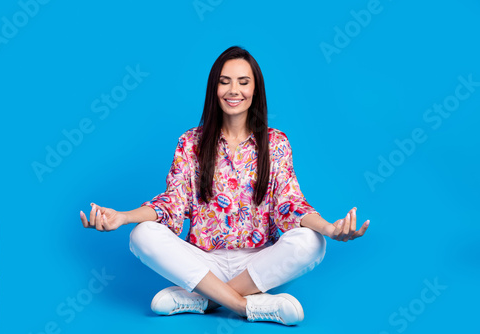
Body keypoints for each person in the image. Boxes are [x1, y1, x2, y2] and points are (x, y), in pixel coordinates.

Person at [80, 46, 370, 326]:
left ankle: (205, 299)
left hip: (258, 264)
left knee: (312, 241)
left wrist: (331, 229)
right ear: (214, 89)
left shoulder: (276, 142)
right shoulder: (190, 142)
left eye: (243, 82)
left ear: (255, 90)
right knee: (141, 234)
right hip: (203, 261)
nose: (234, 90)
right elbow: (172, 203)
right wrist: (123, 217)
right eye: (225, 82)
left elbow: (290, 205)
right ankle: (246, 305)